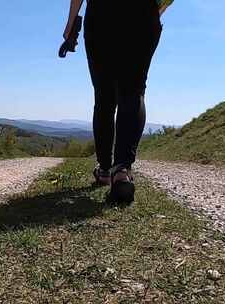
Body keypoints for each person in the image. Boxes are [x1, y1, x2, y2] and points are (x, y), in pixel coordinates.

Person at [63, 0, 163, 203]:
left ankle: (105, 169)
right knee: (133, 90)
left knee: (104, 97)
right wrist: (153, 11)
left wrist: (70, 24)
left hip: (102, 13)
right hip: (143, 14)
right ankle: (122, 170)